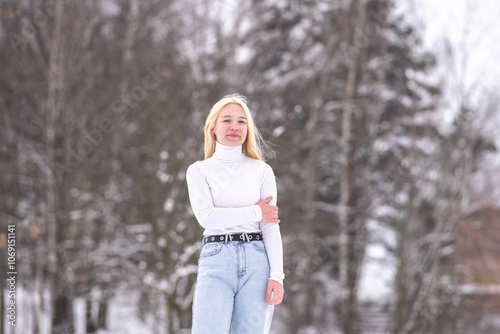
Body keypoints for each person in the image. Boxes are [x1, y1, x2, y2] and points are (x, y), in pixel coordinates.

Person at [186, 94, 284, 333]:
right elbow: (207, 217)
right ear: (212, 128)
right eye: (226, 120)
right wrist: (255, 211)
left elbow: (270, 225)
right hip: (216, 258)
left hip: (257, 260)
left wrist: (277, 276)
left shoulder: (261, 170)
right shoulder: (199, 171)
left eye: (241, 121)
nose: (234, 127)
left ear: (248, 129)